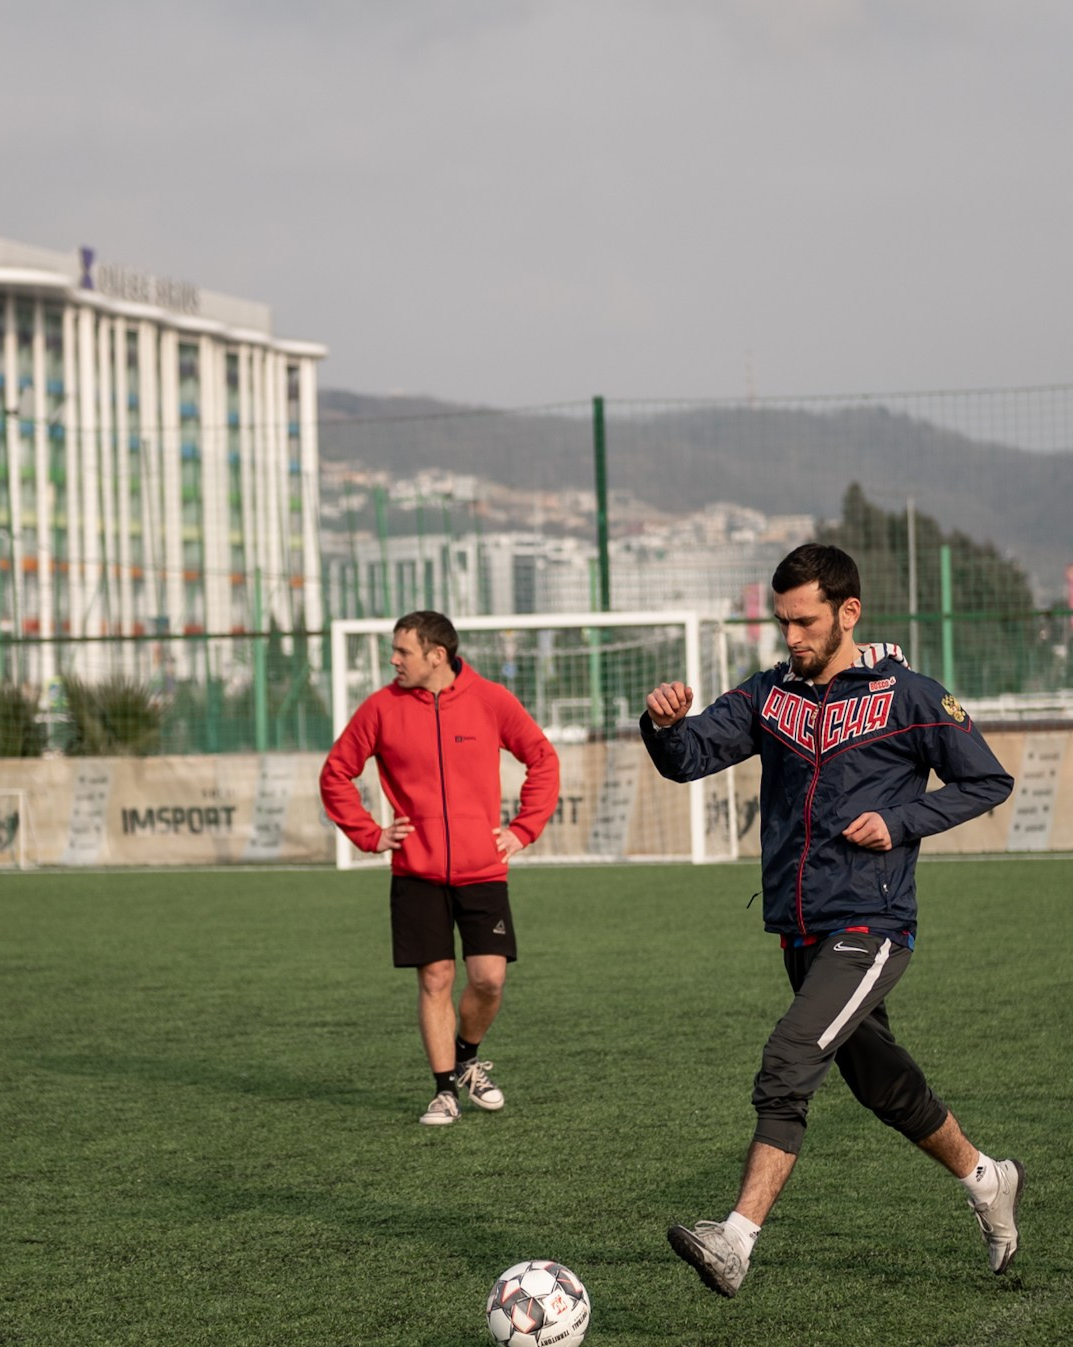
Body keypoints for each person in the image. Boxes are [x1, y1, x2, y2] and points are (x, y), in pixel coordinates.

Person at [640, 542, 1021, 1296]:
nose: (791, 638)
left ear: (848, 612)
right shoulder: (768, 696)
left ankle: (736, 1238)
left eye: (805, 621)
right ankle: (986, 1178)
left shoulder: (909, 695)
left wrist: (902, 819)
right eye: (783, 622)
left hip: (871, 924)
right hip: (800, 929)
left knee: (787, 1064)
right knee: (881, 1083)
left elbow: (987, 778)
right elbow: (690, 758)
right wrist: (663, 726)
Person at [320, 610, 561, 1125]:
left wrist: (523, 828)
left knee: (489, 979)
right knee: (435, 979)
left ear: (437, 655)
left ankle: (467, 1057)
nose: (393, 660)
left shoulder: (491, 699)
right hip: (416, 872)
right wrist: (371, 834)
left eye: (402, 651)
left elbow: (541, 758)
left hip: (483, 869)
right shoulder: (380, 708)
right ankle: (444, 1090)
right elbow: (336, 772)